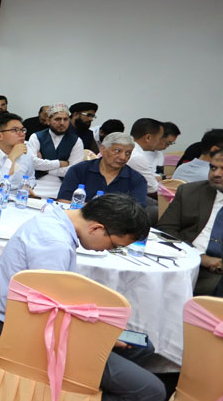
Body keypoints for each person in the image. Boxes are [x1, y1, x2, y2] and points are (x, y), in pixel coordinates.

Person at [0, 193, 164, 401]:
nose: (107, 251)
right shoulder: (54, 245)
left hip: (37, 324)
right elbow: (44, 321)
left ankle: (72, 392)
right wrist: (98, 336)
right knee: (149, 391)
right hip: (24, 335)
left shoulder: (55, 221)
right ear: (97, 228)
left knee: (142, 346)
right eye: (113, 245)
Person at [158, 147, 223, 295]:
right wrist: (198, 256)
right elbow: (165, 228)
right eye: (213, 168)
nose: (216, 174)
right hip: (183, 258)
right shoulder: (190, 191)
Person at [0, 112, 62, 190]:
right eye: (14, 130)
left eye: (22, 130)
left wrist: (27, 188)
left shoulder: (26, 155)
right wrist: (12, 157)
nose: (22, 134)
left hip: (18, 201)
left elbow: (31, 179)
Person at [58, 132, 148, 205]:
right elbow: (63, 201)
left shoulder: (137, 179)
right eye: (118, 151)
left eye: (128, 153)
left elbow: (137, 213)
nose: (123, 157)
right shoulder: (79, 170)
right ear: (102, 149)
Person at [26, 103, 84, 198]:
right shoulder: (36, 137)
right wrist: (60, 163)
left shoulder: (77, 141)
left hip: (62, 188)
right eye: (57, 119)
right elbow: (32, 163)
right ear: (48, 121)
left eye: (65, 119)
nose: (62, 123)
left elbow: (73, 170)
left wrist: (47, 169)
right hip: (35, 185)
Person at [126, 118, 165, 215]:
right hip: (126, 201)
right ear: (148, 137)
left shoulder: (128, 147)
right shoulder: (138, 157)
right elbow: (153, 189)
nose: (160, 142)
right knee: (164, 211)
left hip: (125, 196)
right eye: (159, 138)